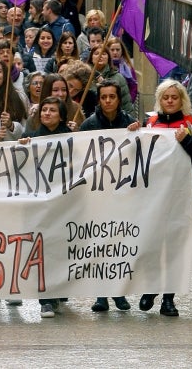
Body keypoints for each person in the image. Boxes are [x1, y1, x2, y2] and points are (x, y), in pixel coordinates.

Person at [139, 79, 192, 318]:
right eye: (165, 97)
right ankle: (150, 289)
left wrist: (187, 140)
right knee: (151, 243)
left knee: (174, 246)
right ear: (159, 100)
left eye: (174, 97)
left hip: (180, 195)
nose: (170, 101)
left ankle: (168, 299)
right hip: (152, 194)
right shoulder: (149, 123)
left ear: (182, 99)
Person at [80, 81, 139, 313]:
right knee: (99, 246)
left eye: (111, 97)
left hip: (123, 194)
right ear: (99, 100)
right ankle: (101, 295)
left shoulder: (129, 123)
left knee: (119, 246)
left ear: (118, 98)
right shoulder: (89, 125)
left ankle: (119, 293)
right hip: (98, 194)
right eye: (103, 97)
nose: (107, 101)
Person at [19, 95, 71, 318]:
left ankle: (58, 292)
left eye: (52, 110)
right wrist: (20, 147)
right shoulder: (30, 138)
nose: (47, 113)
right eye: (44, 110)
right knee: (43, 250)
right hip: (39, 204)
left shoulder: (72, 139)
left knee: (60, 250)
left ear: (61, 116)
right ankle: (46, 300)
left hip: (65, 204)